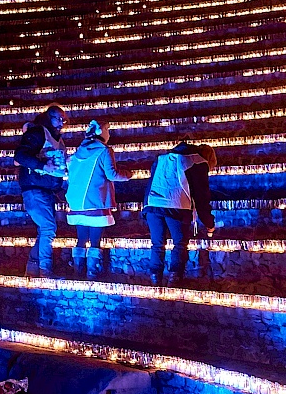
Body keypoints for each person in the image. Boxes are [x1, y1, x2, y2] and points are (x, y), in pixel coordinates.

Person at [143, 141, 216, 285]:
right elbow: (202, 197)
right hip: (176, 205)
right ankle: (175, 278)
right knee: (180, 243)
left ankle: (155, 279)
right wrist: (209, 223)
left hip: (152, 203)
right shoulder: (197, 162)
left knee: (157, 243)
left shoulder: (162, 158)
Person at [65, 120, 131, 278]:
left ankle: (77, 270)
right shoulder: (104, 151)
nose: (109, 134)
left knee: (81, 239)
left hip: (76, 202)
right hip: (95, 200)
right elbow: (112, 174)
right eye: (108, 130)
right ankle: (92, 271)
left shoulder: (79, 151)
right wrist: (128, 174)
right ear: (101, 133)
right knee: (95, 240)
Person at [15, 105, 68, 278]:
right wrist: (43, 165)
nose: (61, 123)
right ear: (48, 117)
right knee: (48, 227)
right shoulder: (38, 133)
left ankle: (32, 269)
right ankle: (45, 270)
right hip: (35, 188)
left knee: (44, 229)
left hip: (47, 190)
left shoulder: (58, 140)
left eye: (63, 119)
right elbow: (20, 156)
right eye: (58, 118)